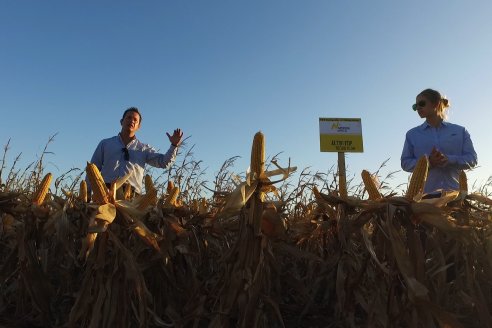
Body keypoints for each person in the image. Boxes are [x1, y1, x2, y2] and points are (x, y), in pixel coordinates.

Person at [88, 107, 183, 197]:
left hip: (132, 198)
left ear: (139, 126)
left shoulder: (144, 149)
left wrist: (174, 146)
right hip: (106, 193)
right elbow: (92, 170)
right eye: (129, 118)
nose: (132, 121)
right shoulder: (105, 144)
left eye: (135, 120)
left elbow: (164, 162)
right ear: (121, 121)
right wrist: (86, 195)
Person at [401, 88, 477, 196]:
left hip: (455, 195)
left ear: (435, 104)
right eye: (415, 106)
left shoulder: (460, 131)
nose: (418, 108)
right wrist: (428, 162)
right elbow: (405, 163)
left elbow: (472, 159)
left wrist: (449, 159)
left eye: (421, 104)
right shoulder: (412, 134)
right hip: (424, 196)